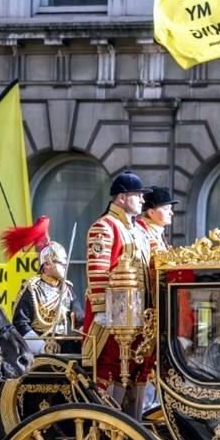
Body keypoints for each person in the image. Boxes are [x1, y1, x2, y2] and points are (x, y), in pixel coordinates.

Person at [83, 170, 156, 418]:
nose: (143, 201)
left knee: (139, 368)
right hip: (117, 317)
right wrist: (104, 311)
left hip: (140, 315)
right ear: (123, 197)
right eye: (138, 195)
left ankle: (133, 427)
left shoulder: (140, 231)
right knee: (112, 368)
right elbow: (98, 271)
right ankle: (107, 427)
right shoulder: (103, 227)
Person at [5, 228, 82, 355]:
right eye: (61, 264)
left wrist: (83, 329)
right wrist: (41, 347)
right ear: (47, 265)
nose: (65, 267)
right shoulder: (32, 288)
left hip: (62, 344)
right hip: (38, 346)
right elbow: (20, 323)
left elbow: (79, 317)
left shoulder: (67, 289)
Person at [138, 186, 177, 251]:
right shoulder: (144, 234)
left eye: (170, 208)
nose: (171, 213)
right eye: (166, 209)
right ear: (151, 212)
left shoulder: (156, 231)